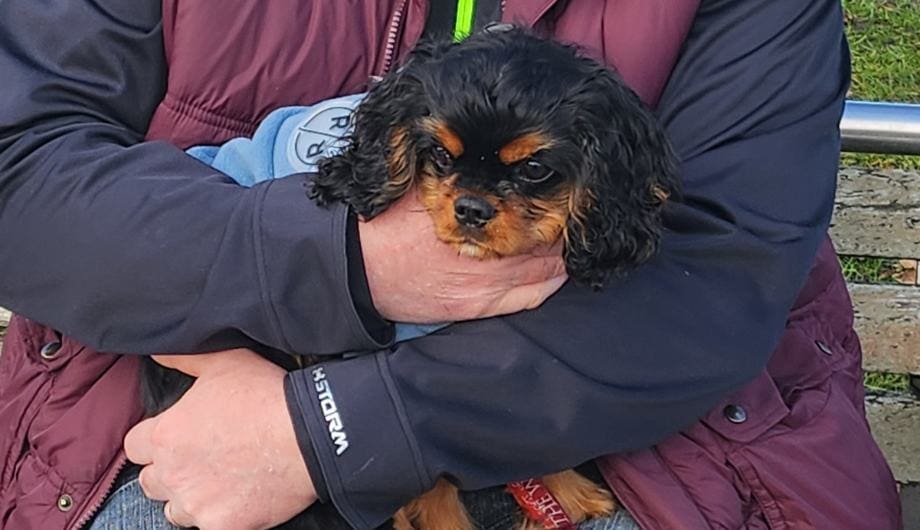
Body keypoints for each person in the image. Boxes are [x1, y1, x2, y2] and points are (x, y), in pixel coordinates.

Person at [0, 1, 901, 530]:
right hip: (179, 395)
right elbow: (22, 172)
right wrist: (349, 262)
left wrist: (335, 430)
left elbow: (718, 262)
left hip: (639, 423)